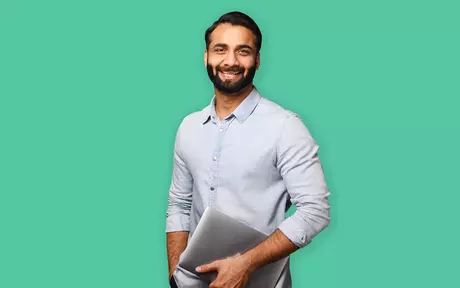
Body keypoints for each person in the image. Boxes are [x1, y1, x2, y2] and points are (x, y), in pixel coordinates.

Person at [165, 11, 331, 288]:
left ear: (257, 60)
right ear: (206, 56)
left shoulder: (285, 127)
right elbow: (179, 205)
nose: (230, 61)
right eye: (221, 50)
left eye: (243, 51)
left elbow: (315, 211)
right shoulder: (188, 127)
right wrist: (175, 276)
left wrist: (245, 264)